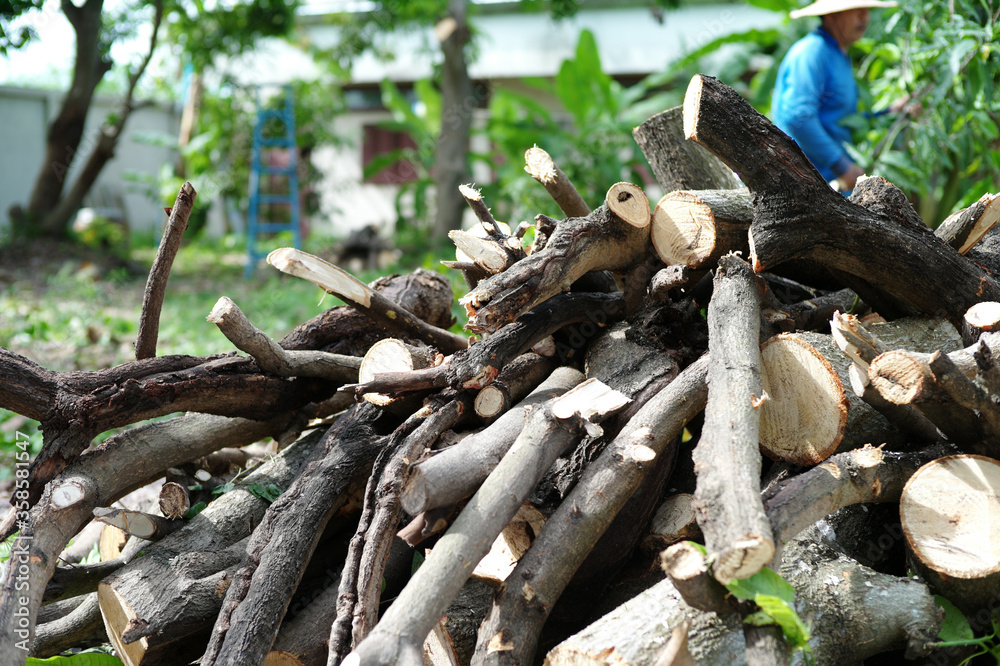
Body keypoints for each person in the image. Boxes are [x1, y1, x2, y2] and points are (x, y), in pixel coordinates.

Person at [772, 0, 900, 193]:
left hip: (829, 187)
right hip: (804, 186)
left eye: (867, 10)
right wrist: (841, 165)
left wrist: (889, 113)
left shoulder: (839, 54)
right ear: (831, 15)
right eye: (856, 10)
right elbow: (798, 117)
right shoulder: (812, 52)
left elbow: (839, 121)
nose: (865, 17)